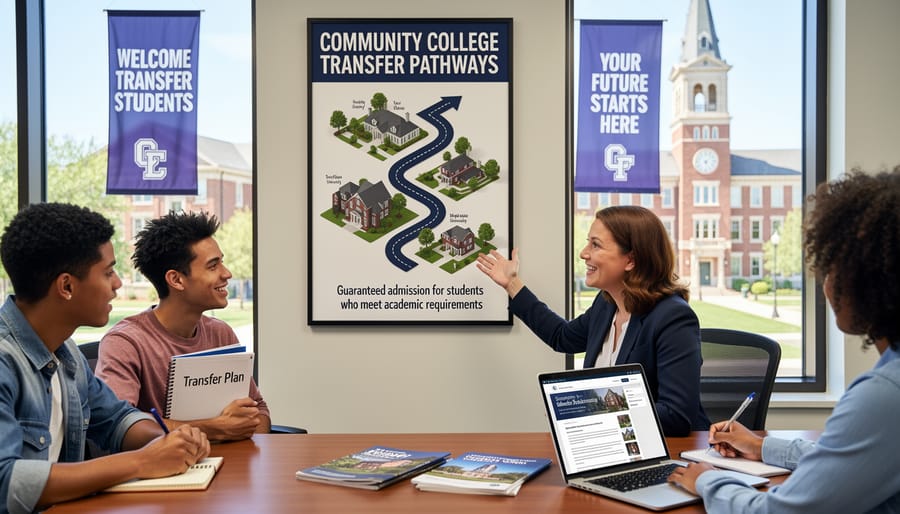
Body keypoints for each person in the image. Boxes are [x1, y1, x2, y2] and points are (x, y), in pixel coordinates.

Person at [668, 170, 900, 512]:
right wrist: (761, 446)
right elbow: (847, 458)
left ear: (866, 277)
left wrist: (706, 479)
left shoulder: (885, 395)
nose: (824, 287)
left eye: (831, 268)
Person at [0, 203, 210, 513]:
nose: (118, 284)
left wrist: (175, 439)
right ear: (67, 286)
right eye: (109, 272)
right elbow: (7, 482)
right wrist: (142, 461)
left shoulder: (65, 351)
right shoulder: (5, 361)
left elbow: (115, 420)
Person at [477, 205, 709, 436]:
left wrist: (588, 406)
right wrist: (512, 284)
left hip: (671, 455)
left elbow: (676, 416)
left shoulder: (673, 318)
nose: (583, 253)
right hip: (613, 447)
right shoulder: (606, 304)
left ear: (630, 260)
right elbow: (562, 337)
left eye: (595, 245)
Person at [96, 211, 271, 441]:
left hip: (227, 467)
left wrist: (243, 425)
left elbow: (259, 412)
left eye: (222, 262)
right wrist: (214, 428)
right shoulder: (125, 343)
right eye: (213, 266)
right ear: (176, 280)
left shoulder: (221, 333)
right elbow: (122, 427)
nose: (226, 274)